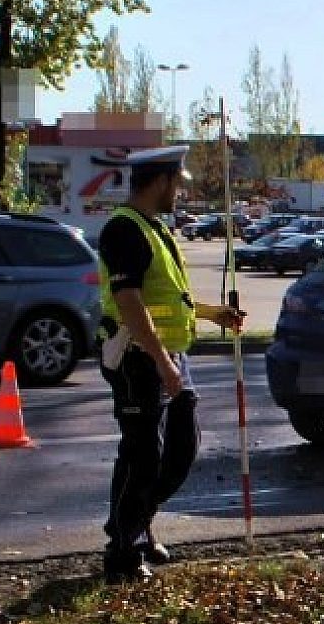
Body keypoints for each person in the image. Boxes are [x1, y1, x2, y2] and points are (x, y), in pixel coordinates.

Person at [95, 145, 244, 584]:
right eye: (177, 184)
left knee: (180, 450)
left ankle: (138, 522)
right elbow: (129, 302)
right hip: (138, 359)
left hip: (168, 356)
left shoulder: (155, 228)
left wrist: (213, 314)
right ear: (160, 182)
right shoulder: (123, 229)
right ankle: (122, 551)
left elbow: (169, 299)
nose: (179, 192)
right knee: (142, 455)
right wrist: (162, 362)